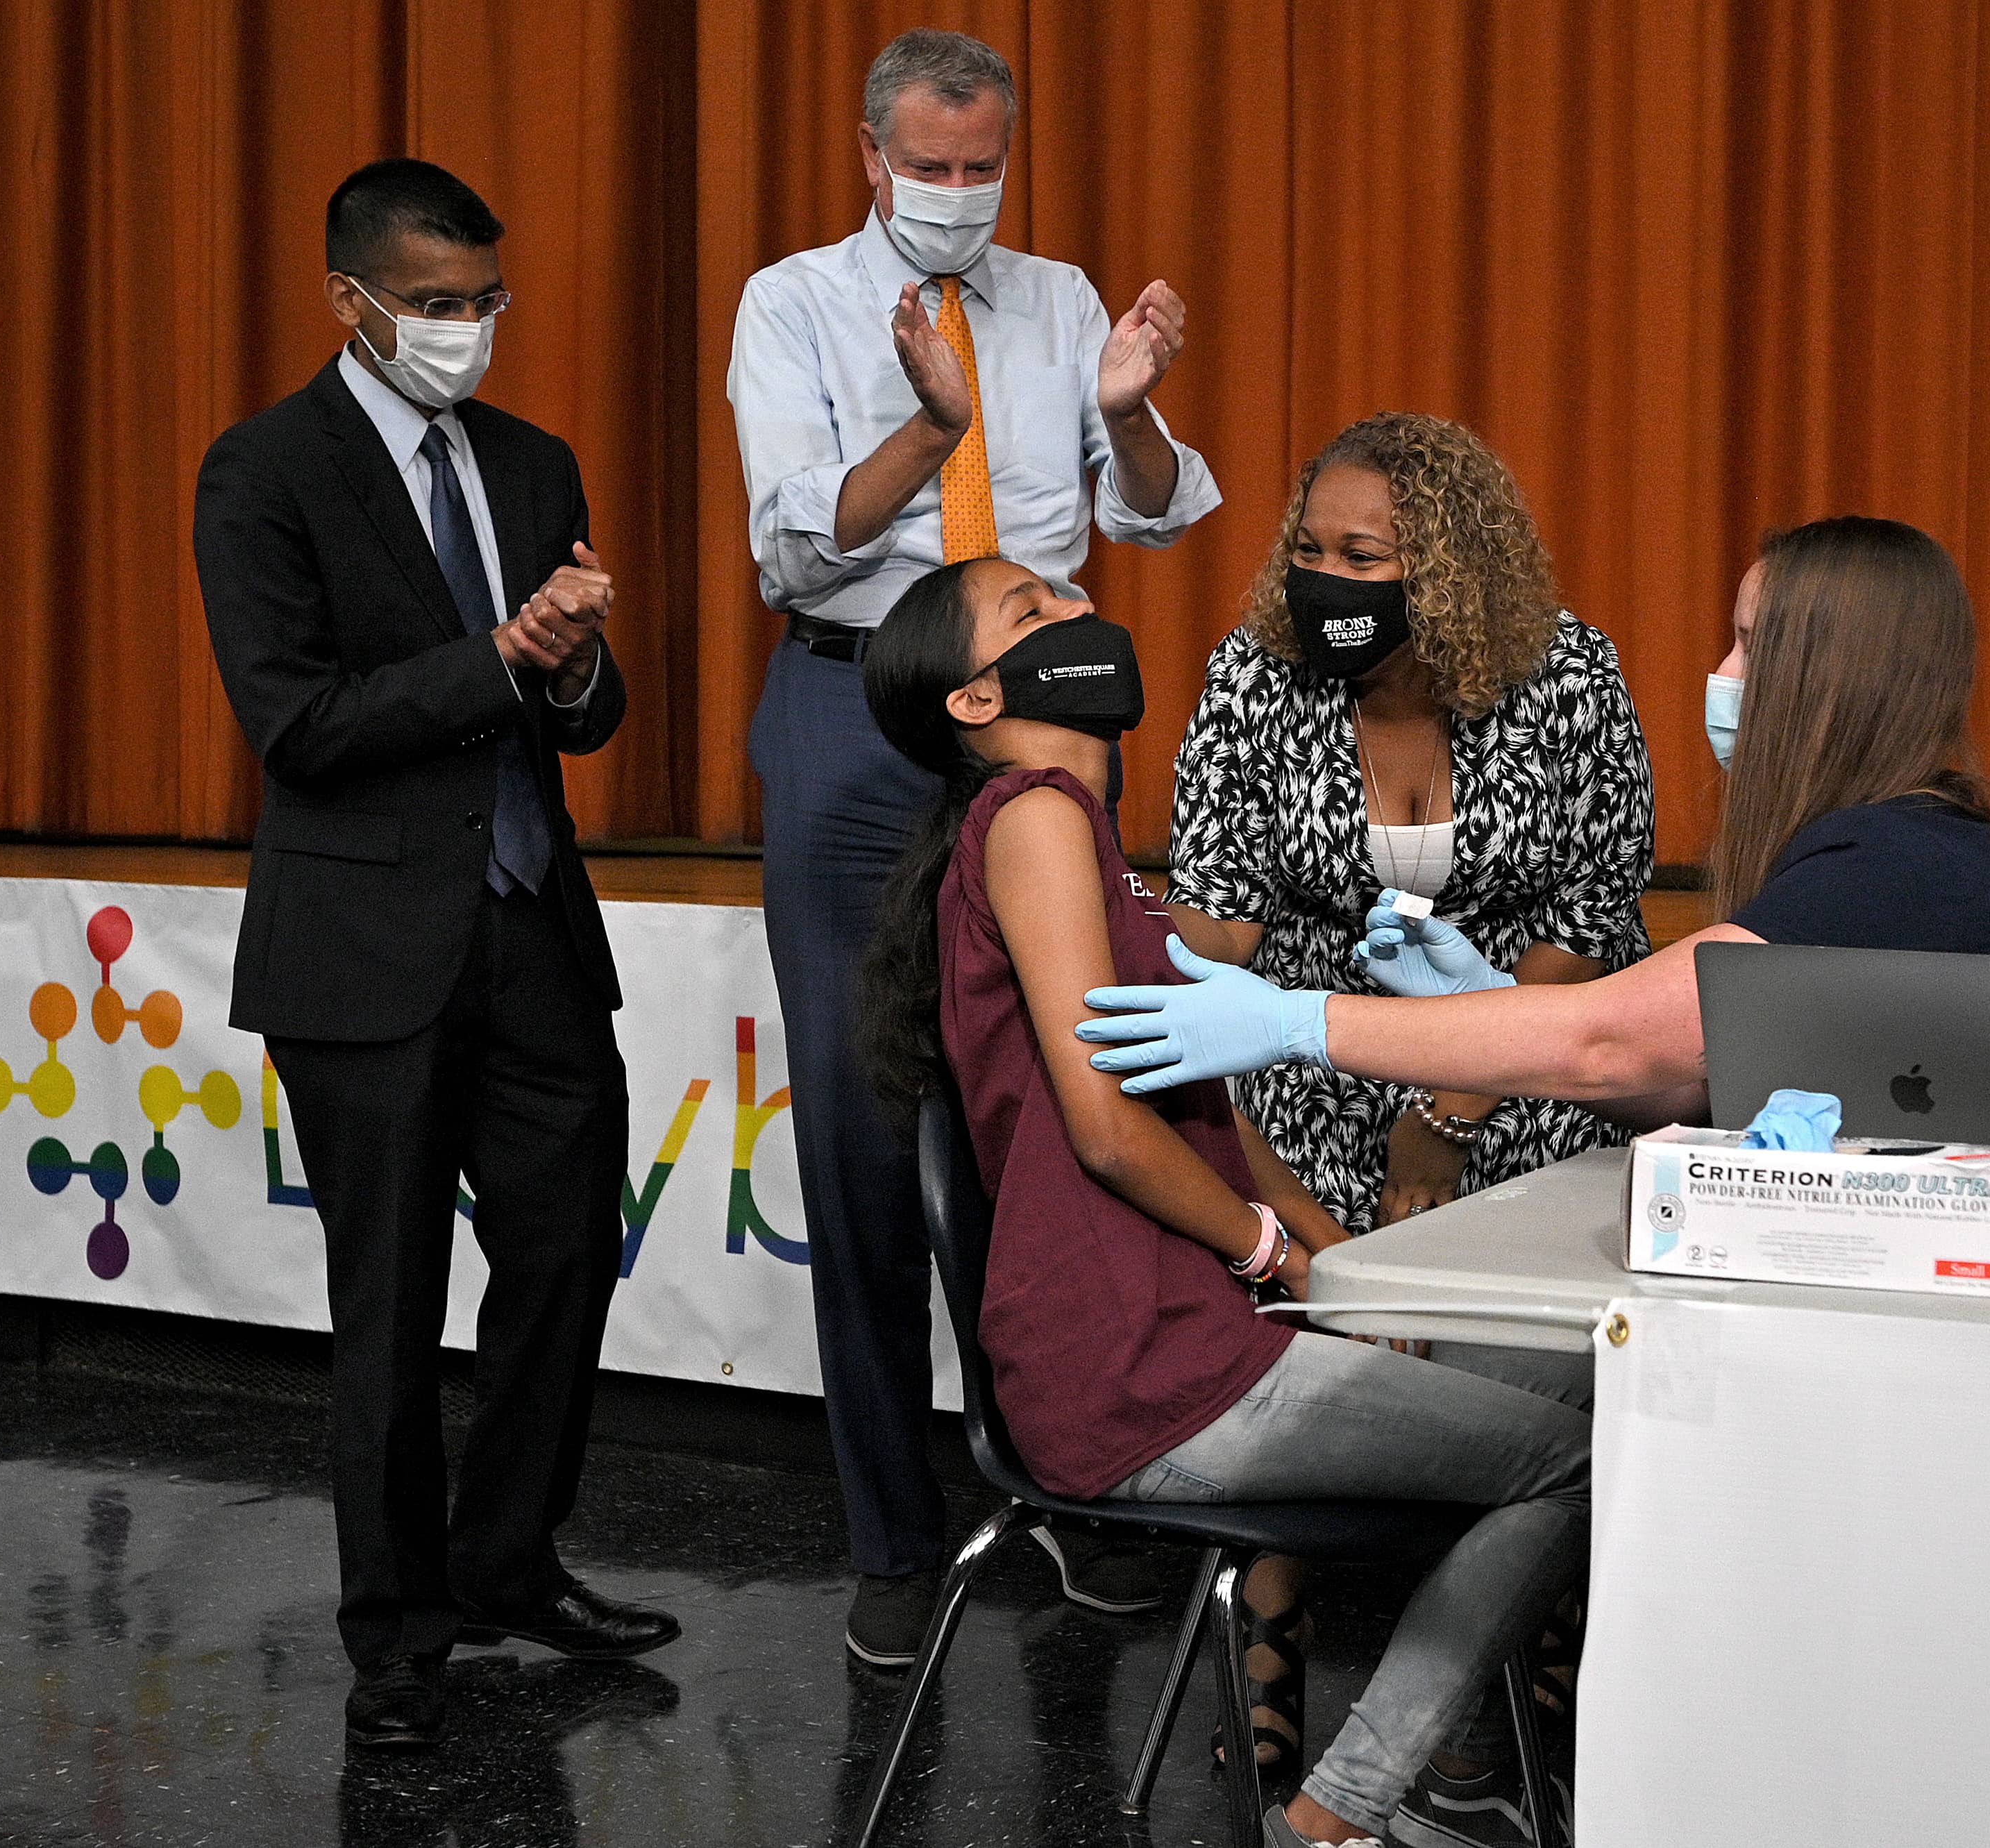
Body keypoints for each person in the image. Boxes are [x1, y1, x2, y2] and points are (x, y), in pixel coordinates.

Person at [858, 554, 1591, 1848]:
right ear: (972, 702)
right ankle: (1349, 1810)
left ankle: (1421, 1784)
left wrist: (1344, 1261)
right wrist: (1274, 1255)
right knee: (1579, 1457)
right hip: (1134, 1368)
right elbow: (1105, 1128)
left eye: (1066, 592)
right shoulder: (1030, 813)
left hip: (1200, 1337)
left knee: (1594, 1377)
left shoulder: (1094, 848)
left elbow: (1216, 1109)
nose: (1077, 612)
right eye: (1033, 613)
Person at [726, 25, 1221, 1666]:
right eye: (926, 167)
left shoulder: (1063, 298)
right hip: (855, 718)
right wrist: (932, 431)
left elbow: (1143, 509)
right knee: (868, 1140)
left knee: (1064, 1104)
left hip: (1044, 718)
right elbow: (797, 537)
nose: (955, 194)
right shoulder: (791, 303)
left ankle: (1089, 1495)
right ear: (870, 156)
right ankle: (892, 1533)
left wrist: (1131, 417)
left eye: (979, 167)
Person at [194, 158, 676, 1752]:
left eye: (487, 301)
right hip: (364, 950)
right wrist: (496, 659)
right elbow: (299, 725)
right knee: (389, 1306)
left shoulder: (532, 463)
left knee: (559, 1261)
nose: (469, 330)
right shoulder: (262, 471)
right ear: (352, 301)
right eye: (438, 305)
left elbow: (580, 713)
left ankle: (508, 1558)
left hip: (533, 930)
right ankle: (398, 1634)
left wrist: (579, 667)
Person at [1074, 515, 1990, 1125]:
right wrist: (1492, 994)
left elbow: (1608, 1046)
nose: (1721, 678)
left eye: (1752, 649)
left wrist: (1295, 1020)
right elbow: (1673, 1083)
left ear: (1829, 680)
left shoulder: (1887, 862)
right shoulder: (1898, 843)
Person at [1168, 412, 1654, 1235]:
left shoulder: (1567, 671)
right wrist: (1163, 967)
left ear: (1446, 572)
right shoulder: (1254, 672)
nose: (1324, 579)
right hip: (1319, 1056)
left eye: (1360, 558)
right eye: (1307, 552)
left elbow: (1590, 917)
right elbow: (1219, 910)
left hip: (1525, 1051)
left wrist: (1451, 1111)